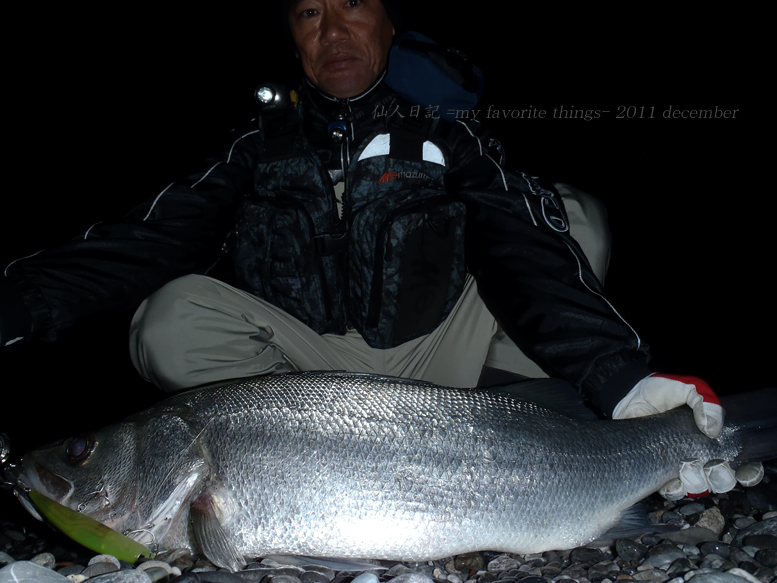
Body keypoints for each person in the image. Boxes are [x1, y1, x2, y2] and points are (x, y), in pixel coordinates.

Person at [0, 0, 759, 497]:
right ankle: (292, 466)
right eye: (308, 13)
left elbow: (519, 244)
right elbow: (146, 237)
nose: (333, 32)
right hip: (302, 374)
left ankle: (522, 422)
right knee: (168, 316)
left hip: (437, 355)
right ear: (292, 40)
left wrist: (622, 377)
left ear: (389, 25)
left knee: (566, 220)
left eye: (353, 6)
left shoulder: (446, 130)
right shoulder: (253, 147)